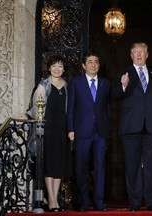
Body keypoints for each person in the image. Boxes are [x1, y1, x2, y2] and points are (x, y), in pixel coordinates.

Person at [112, 42, 152, 211]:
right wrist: (123, 85)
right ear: (131, 55)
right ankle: (135, 203)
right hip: (130, 127)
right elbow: (115, 95)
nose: (138, 55)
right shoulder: (124, 73)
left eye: (141, 52)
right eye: (135, 52)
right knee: (132, 166)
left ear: (147, 54)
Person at [27, 55, 72, 212]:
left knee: (59, 164)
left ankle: (56, 198)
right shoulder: (43, 85)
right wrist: (39, 129)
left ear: (63, 69)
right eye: (54, 66)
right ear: (49, 68)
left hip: (62, 130)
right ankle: (52, 200)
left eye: (60, 66)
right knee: (49, 163)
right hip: (48, 130)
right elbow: (35, 110)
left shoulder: (67, 86)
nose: (57, 69)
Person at [67, 51, 110, 212]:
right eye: (90, 62)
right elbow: (70, 108)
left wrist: (107, 130)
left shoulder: (106, 83)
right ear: (84, 65)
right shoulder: (76, 83)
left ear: (99, 65)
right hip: (81, 131)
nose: (93, 64)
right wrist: (71, 129)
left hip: (100, 133)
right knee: (82, 167)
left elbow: (107, 109)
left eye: (96, 62)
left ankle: (99, 202)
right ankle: (84, 202)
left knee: (100, 167)